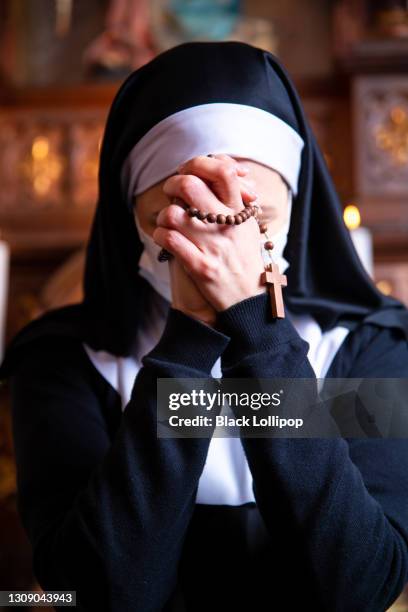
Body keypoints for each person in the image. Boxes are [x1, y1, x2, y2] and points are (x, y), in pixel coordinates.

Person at [1, 41, 408, 612]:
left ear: (293, 210)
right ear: (132, 220)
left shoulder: (367, 346)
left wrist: (258, 330)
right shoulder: (62, 360)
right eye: (184, 221)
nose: (218, 248)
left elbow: (356, 588)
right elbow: (98, 593)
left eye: (252, 220)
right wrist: (189, 338)